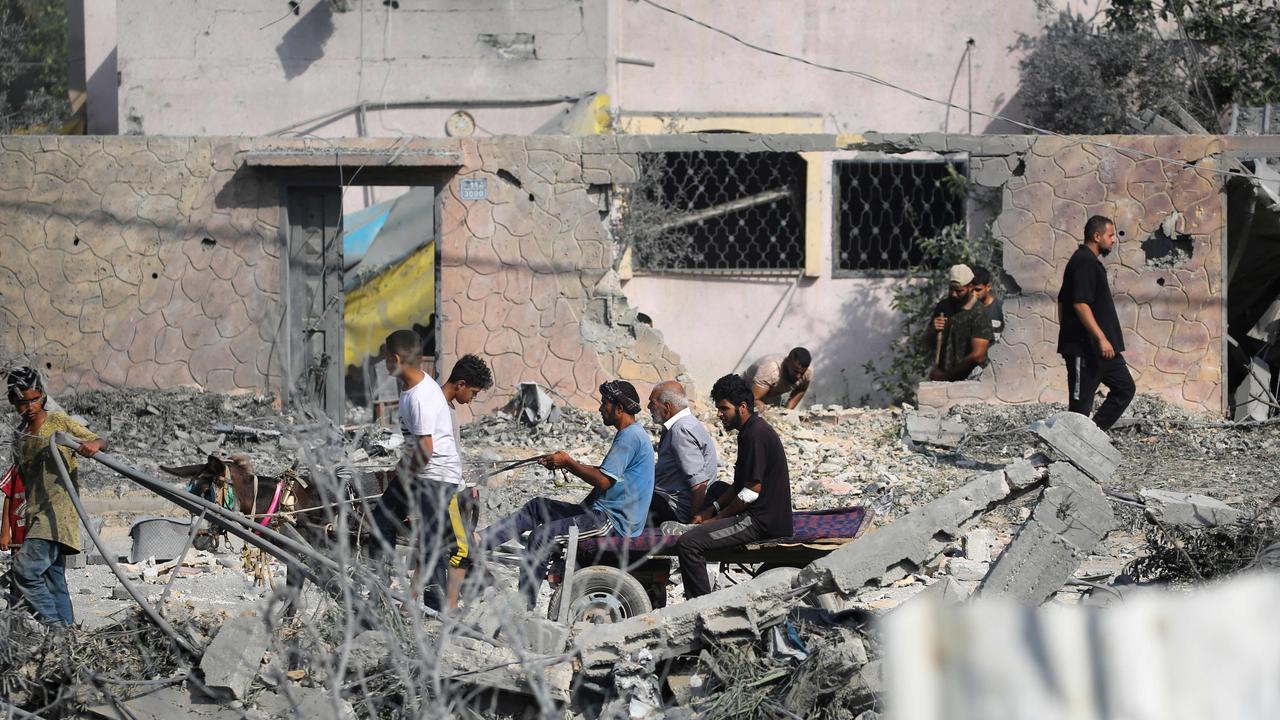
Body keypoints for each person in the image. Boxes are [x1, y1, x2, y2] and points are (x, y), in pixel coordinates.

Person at [480, 380, 654, 606]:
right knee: (537, 507)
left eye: (605, 404)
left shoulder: (629, 437)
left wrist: (569, 463)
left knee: (542, 537)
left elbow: (603, 481)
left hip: (613, 522)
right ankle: (480, 541)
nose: (601, 408)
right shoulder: (632, 434)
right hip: (601, 513)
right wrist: (563, 463)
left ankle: (523, 607)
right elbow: (606, 474)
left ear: (619, 408)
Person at [369, 331, 489, 614]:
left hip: (435, 478)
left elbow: (425, 449)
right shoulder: (412, 388)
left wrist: (404, 473)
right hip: (425, 472)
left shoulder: (421, 397)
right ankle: (380, 585)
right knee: (382, 522)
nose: (385, 363)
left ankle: (434, 609)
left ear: (396, 359)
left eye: (387, 358)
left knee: (429, 542)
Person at [677, 374, 793, 599]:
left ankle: (700, 609)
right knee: (718, 488)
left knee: (688, 544)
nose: (719, 414)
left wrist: (717, 520)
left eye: (724, 408)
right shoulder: (750, 431)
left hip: (761, 521)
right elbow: (739, 485)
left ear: (742, 407)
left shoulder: (755, 436)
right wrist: (709, 512)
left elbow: (751, 492)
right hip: (760, 511)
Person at [6, 367, 105, 628]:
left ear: (43, 395)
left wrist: (93, 444)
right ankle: (69, 636)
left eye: (35, 399)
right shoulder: (20, 436)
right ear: (13, 402)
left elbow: (97, 440)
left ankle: (55, 627)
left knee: (24, 571)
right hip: (36, 514)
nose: (29, 407)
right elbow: (21, 480)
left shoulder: (59, 423)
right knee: (53, 579)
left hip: (58, 514)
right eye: (22, 402)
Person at [1057, 215, 1135, 431]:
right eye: (1110, 235)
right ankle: (1073, 452)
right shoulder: (1083, 262)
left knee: (1125, 388)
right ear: (1097, 236)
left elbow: (1062, 301)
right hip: (1086, 349)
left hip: (1103, 350)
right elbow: (1079, 304)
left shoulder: (1090, 263)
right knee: (1080, 408)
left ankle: (1093, 435)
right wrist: (1099, 338)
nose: (1114, 240)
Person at [646, 381, 718, 525]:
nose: (649, 407)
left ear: (667, 407)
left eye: (652, 403)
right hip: (668, 501)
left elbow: (699, 483)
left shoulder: (681, 429)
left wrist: (690, 525)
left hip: (675, 510)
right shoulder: (684, 424)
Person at [927, 264, 994, 382]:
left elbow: (978, 355)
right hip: (943, 378)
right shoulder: (943, 307)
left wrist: (946, 377)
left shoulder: (978, 313)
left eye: (959, 291)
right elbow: (927, 343)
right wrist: (933, 329)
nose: (954, 294)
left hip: (969, 382)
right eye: (951, 289)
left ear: (970, 287)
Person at [742, 348, 813, 410]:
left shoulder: (808, 372)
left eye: (802, 372)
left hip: (772, 396)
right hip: (746, 390)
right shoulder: (770, 368)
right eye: (795, 371)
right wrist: (761, 406)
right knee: (759, 409)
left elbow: (801, 389)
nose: (798, 376)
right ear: (787, 361)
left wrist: (788, 411)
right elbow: (752, 399)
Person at [971, 265, 1004, 343]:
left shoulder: (1001, 309)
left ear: (988, 287)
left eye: (978, 290)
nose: (974, 294)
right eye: (971, 290)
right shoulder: (967, 310)